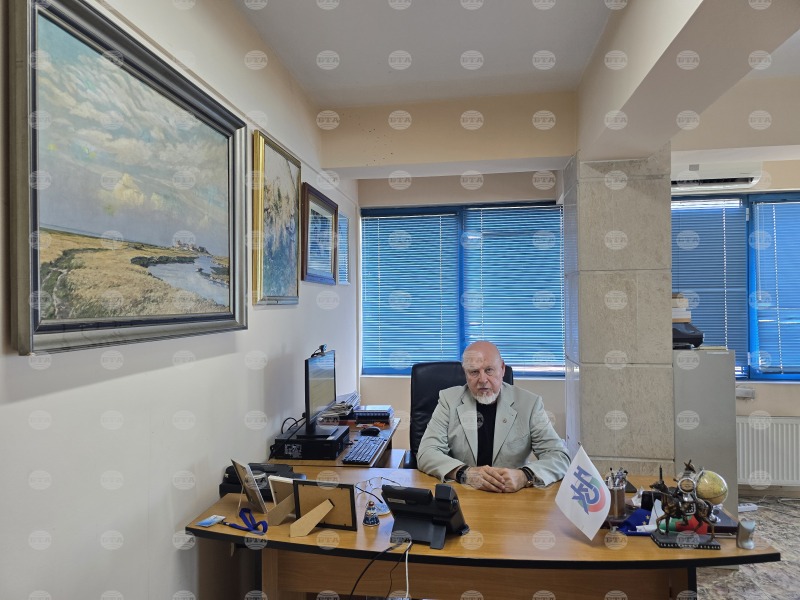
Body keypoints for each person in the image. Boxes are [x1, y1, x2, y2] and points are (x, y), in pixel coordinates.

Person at [416, 341, 570, 492]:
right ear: (465, 373)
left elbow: (559, 456)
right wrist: (465, 473)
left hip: (511, 496)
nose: (483, 380)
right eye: (474, 372)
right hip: (464, 493)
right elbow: (426, 452)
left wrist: (525, 476)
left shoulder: (529, 404)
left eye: (489, 370)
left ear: (502, 369)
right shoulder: (448, 401)